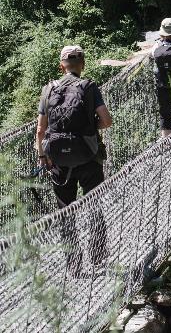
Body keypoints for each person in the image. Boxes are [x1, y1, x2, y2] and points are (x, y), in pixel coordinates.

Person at [36, 45, 112, 274]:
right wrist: (89, 129)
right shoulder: (89, 87)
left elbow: (40, 130)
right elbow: (106, 121)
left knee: (65, 212)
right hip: (89, 157)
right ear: (83, 65)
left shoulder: (48, 89)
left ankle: (74, 266)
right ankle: (98, 258)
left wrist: (42, 156)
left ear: (62, 66)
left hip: (58, 161)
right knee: (94, 205)